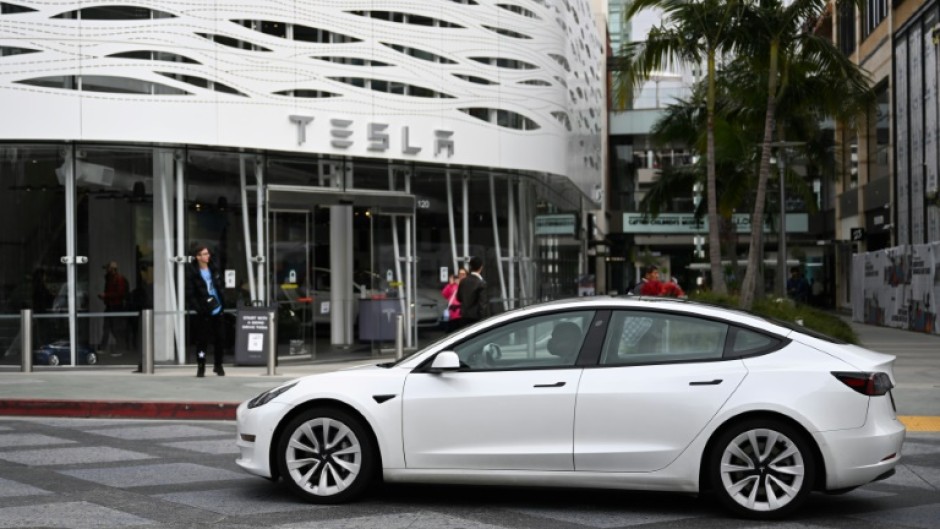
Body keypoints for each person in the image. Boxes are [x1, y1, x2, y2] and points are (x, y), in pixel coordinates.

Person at [186, 245, 226, 377]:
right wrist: (199, 308)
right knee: (202, 341)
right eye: (204, 254)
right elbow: (190, 294)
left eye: (207, 253)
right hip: (204, 312)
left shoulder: (214, 269)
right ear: (198, 257)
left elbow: (220, 286)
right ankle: (201, 365)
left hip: (217, 309)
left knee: (220, 339)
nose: (207, 256)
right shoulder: (193, 272)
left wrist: (222, 301)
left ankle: (218, 365)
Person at [98, 261, 129, 356]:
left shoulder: (119, 279)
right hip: (110, 305)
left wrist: (106, 296)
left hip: (116, 306)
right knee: (106, 327)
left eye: (108, 268)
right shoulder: (110, 279)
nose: (106, 270)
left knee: (116, 328)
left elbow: (120, 293)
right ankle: (103, 347)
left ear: (112, 269)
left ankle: (120, 348)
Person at [457, 256, 488, 328]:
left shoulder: (463, 281)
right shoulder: (481, 283)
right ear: (481, 267)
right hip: (476, 319)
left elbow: (458, 298)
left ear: (470, 266)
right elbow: (482, 305)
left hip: (464, 317)